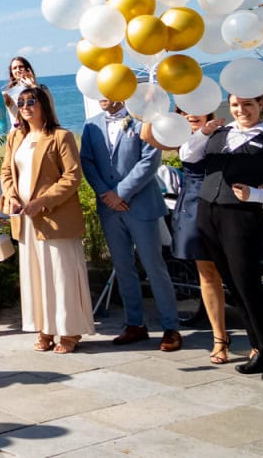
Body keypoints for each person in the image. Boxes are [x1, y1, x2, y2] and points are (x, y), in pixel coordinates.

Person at [190, 94, 263, 382]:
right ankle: (258, 349)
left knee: (249, 286)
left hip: (241, 218)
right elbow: (188, 155)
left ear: (261, 105)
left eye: (248, 104)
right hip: (208, 214)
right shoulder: (220, 133)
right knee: (234, 288)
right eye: (236, 105)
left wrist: (257, 195)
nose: (241, 110)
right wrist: (203, 132)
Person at [80, 98, 181, 351]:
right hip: (109, 208)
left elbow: (149, 160)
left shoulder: (143, 121)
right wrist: (106, 194)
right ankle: (134, 324)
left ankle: (171, 327)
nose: (101, 96)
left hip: (141, 205)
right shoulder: (91, 126)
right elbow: (88, 162)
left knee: (154, 266)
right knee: (123, 267)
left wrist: (121, 193)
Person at [1, 85, 94, 353]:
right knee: (36, 276)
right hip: (26, 222)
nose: (26, 106)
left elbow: (72, 176)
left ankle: (69, 331)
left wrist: (42, 202)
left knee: (61, 274)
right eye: (21, 102)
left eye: (31, 101)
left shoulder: (61, 137)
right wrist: (12, 195)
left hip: (56, 219)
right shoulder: (15, 137)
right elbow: (6, 170)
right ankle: (45, 328)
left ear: (44, 105)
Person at [144, 109, 232, 365]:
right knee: (206, 274)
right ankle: (220, 338)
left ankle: (257, 338)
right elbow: (148, 137)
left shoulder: (225, 134)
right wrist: (151, 108)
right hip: (194, 207)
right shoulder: (181, 139)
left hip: (226, 205)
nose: (191, 115)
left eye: (197, 110)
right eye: (184, 111)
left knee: (235, 273)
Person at [4, 57, 39, 131]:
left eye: (21, 67)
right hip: (18, 133)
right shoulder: (9, 93)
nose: (18, 70)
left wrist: (33, 86)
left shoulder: (42, 89)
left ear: (28, 69)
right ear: (12, 73)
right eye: (14, 68)